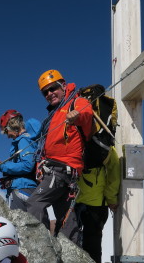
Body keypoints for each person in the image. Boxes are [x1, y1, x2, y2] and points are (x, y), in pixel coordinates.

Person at [27, 69, 95, 244]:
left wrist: (77, 115)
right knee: (66, 219)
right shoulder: (55, 112)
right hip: (61, 171)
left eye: (53, 88)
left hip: (61, 169)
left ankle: (39, 247)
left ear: (63, 86)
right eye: (45, 92)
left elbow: (87, 114)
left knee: (34, 204)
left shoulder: (76, 102)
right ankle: (74, 258)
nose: (49, 94)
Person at [74, 146, 120, 263]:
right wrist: (111, 198)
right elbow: (114, 174)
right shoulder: (106, 147)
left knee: (76, 241)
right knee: (92, 245)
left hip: (78, 201)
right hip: (95, 203)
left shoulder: (77, 142)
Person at [0, 110, 41, 212]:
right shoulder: (26, 140)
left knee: (19, 226)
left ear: (12, 125)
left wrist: (3, 166)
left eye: (6, 131)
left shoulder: (24, 140)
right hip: (26, 187)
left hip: (22, 189)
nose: (7, 135)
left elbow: (27, 165)